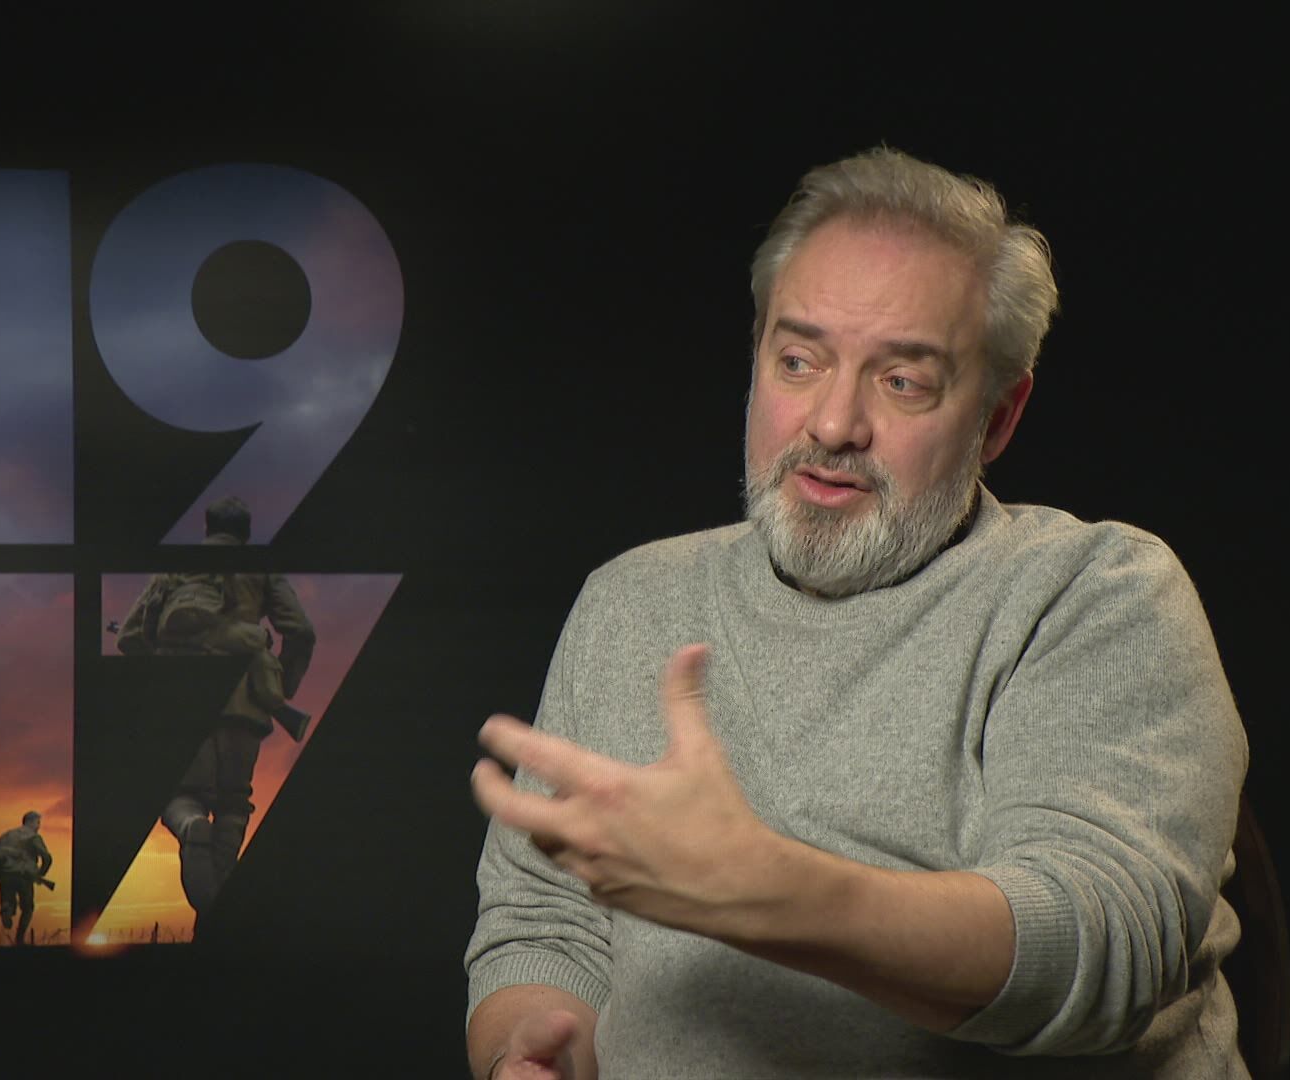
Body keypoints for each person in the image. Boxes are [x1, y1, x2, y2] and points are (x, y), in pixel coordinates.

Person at [464, 148, 1249, 1077]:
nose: (834, 424)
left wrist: (765, 893)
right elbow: (543, 923)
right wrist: (531, 1043)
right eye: (798, 361)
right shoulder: (631, 601)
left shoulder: (1093, 593)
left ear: (998, 418)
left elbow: (1103, 947)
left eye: (902, 380)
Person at [115, 495, 315, 928]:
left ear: (207, 527)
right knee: (233, 803)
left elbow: (129, 637)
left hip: (180, 704)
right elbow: (301, 631)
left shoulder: (176, 568)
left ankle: (190, 827)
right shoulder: (261, 568)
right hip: (245, 707)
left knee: (179, 797)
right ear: (245, 532)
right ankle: (215, 915)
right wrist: (277, 688)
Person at [0, 811, 53, 946]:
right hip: (24, 876)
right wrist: (40, 873)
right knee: (28, 908)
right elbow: (47, 858)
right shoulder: (34, 837)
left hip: (5, 875)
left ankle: (6, 909)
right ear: (30, 822)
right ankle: (19, 939)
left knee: (7, 900)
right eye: (38, 822)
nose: (39, 826)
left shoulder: (8, 834)